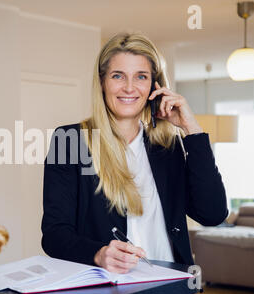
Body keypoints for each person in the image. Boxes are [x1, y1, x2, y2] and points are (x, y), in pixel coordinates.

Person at [41, 32, 228, 273]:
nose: (129, 88)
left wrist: (192, 130)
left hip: (168, 284)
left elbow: (212, 214)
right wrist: (98, 254)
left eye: (141, 76)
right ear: (102, 82)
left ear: (154, 85)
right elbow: (55, 235)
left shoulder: (167, 146)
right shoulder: (70, 141)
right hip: (108, 288)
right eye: (118, 76)